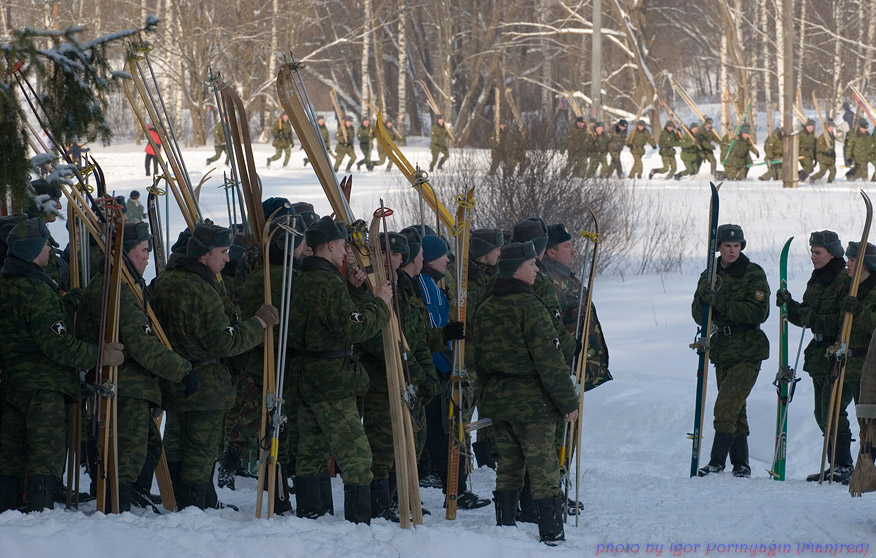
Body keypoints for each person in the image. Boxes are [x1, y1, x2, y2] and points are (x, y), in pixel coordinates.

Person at [0, 218, 125, 513]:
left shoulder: (8, 284)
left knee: (10, 455)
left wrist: (74, 299)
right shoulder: (36, 290)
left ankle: (7, 513)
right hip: (44, 386)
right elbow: (58, 345)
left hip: (12, 382)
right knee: (46, 454)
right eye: (46, 244)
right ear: (34, 250)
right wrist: (100, 355)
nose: (49, 250)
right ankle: (40, 514)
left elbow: (40, 322)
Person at [150, 222, 278, 509]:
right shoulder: (201, 289)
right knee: (201, 450)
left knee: (176, 442)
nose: (227, 259)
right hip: (205, 384)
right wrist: (258, 323)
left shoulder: (164, 280)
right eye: (222, 252)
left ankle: (178, 500)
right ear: (205, 254)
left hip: (174, 378)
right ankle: (194, 505)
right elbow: (223, 342)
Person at [74, 222, 194, 512]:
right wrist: (182, 371)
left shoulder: (123, 283)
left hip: (131, 384)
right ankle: (117, 508)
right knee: (127, 454)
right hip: (123, 385)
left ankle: (132, 499)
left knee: (149, 445)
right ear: (126, 252)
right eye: (142, 250)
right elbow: (142, 344)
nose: (147, 257)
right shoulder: (118, 288)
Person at [473, 240, 579, 545]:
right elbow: (549, 359)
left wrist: (488, 397)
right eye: (531, 264)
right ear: (516, 269)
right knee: (544, 468)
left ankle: (504, 527)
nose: (536, 269)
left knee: (508, 467)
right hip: (533, 403)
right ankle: (551, 533)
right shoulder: (530, 306)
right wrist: (568, 402)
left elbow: (479, 360)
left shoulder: (486, 307)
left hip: (499, 399)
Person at [287, 217, 392, 524]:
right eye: (343, 244)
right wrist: (379, 304)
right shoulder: (328, 282)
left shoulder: (304, 279)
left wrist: (353, 291)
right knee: (357, 454)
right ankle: (359, 522)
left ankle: (311, 514)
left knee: (311, 450)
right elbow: (351, 328)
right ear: (331, 245)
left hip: (306, 375)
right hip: (331, 378)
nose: (347, 250)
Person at [416, 234, 490, 510]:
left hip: (441, 366)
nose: (448, 260)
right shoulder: (425, 286)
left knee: (445, 432)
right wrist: (446, 366)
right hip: (435, 370)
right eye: (443, 255)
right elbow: (431, 331)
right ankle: (453, 490)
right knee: (442, 433)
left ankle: (456, 489)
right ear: (428, 259)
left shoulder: (435, 284)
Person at [692, 224, 770, 478]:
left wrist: (720, 301)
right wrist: (703, 298)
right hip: (723, 350)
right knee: (737, 408)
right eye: (728, 246)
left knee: (725, 406)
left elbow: (759, 312)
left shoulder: (753, 273)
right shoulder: (710, 274)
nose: (732, 251)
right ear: (719, 248)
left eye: (737, 246)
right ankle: (741, 464)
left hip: (748, 350)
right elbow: (698, 316)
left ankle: (717, 462)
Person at [774, 231, 849, 481]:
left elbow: (842, 322)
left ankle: (843, 464)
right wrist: (790, 306)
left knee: (832, 410)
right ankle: (834, 463)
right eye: (812, 252)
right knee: (821, 413)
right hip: (818, 356)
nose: (813, 257)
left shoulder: (844, 279)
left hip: (837, 353)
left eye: (818, 252)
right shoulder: (817, 279)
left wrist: (811, 317)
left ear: (832, 253)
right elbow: (807, 317)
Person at [542, 223, 612, 391]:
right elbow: (551, 330)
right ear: (551, 252)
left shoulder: (565, 278)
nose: (573, 250)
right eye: (567, 246)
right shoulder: (551, 283)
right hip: (567, 372)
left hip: (583, 370)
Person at [810, 118, 837, 184]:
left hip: (830, 157)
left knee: (833, 171)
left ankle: (829, 183)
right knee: (822, 172)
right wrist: (826, 149)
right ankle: (813, 178)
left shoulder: (832, 136)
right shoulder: (823, 136)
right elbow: (819, 146)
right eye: (830, 127)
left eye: (832, 127)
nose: (832, 128)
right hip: (823, 157)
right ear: (827, 127)